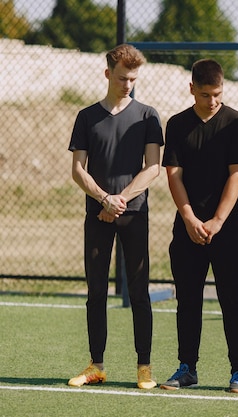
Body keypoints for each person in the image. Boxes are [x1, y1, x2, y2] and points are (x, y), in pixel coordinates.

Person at [67, 44, 163, 389]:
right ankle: (96, 366)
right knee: (96, 291)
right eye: (123, 77)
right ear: (108, 74)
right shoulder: (86, 117)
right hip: (98, 213)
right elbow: (78, 170)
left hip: (134, 213)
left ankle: (144, 369)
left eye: (134, 79)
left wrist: (119, 199)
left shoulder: (149, 115)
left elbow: (153, 167)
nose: (128, 84)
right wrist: (103, 199)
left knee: (139, 291)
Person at [160, 59, 238, 393]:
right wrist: (189, 218)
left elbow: (236, 174)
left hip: (227, 229)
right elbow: (173, 174)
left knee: (233, 299)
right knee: (188, 299)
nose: (211, 100)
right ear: (191, 89)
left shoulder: (237, 123)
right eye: (204, 94)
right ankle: (187, 368)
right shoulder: (176, 124)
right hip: (187, 228)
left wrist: (216, 221)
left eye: (217, 94)